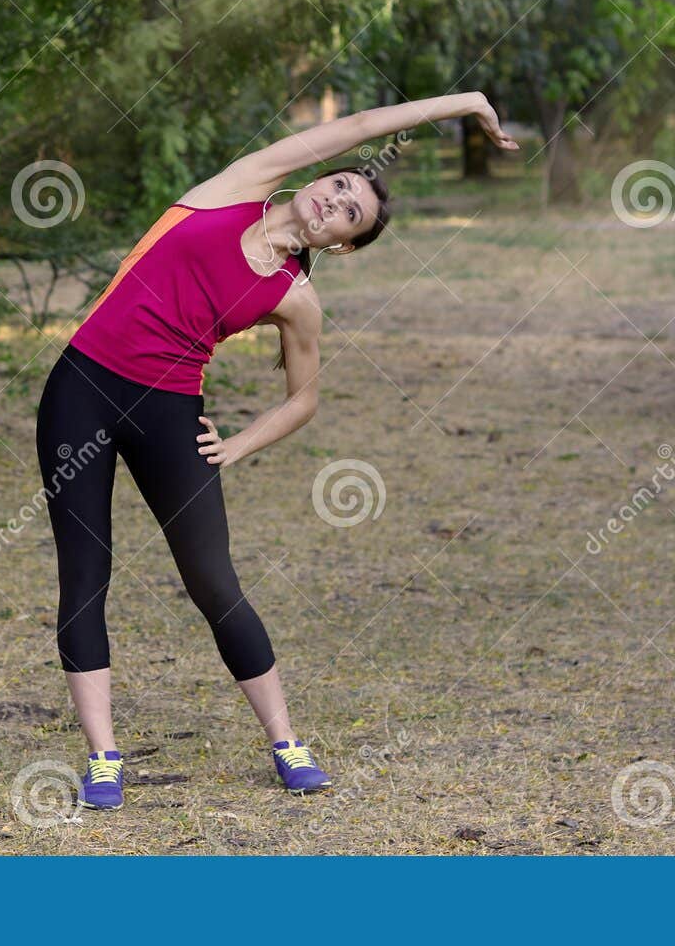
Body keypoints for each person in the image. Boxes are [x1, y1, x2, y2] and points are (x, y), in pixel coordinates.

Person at [34, 92, 518, 808]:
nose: (336, 201)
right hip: (82, 386)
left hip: (170, 410)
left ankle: (287, 742)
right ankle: (104, 757)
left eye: (351, 213)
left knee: (213, 580)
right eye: (340, 186)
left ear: (344, 245)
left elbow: (304, 398)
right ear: (318, 181)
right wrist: (467, 102)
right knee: (86, 571)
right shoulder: (240, 186)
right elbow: (356, 128)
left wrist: (234, 445)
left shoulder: (295, 297)